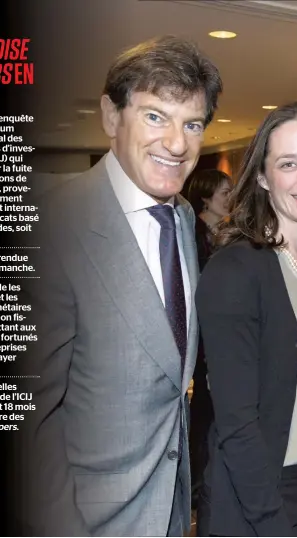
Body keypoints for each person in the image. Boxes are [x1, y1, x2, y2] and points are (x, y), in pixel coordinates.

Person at [13, 36, 222, 536]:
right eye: (155, 116)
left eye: (191, 124)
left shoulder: (183, 218)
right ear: (111, 116)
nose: (177, 143)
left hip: (169, 512)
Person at [195, 102, 297, 537]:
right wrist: (270, 522)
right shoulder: (237, 269)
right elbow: (237, 424)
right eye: (288, 164)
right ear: (262, 177)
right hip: (256, 500)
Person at [186, 169, 232, 510]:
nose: (229, 197)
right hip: (201, 330)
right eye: (223, 191)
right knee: (204, 404)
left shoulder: (228, 231)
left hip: (222, 326)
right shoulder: (194, 230)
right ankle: (198, 481)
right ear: (206, 196)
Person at [187, 169, 232, 269]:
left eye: (231, 192)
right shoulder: (193, 232)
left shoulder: (231, 229)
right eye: (225, 193)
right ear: (205, 197)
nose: (231, 198)